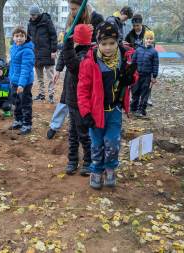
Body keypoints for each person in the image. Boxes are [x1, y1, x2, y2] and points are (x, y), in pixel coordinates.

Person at [77, 22, 136, 189]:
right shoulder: (90, 62)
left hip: (115, 110)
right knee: (96, 144)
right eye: (104, 44)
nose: (108, 47)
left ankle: (110, 168)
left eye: (112, 43)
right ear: (98, 43)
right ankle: (96, 170)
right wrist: (86, 113)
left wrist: (130, 78)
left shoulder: (124, 58)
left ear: (117, 42)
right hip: (96, 112)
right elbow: (82, 90)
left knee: (112, 142)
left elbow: (133, 74)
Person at [46, 0, 104, 140]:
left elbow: (101, 44)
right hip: (73, 65)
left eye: (74, 9)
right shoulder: (71, 20)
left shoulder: (96, 19)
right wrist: (59, 69)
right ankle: (55, 125)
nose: (72, 12)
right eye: (70, 8)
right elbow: (67, 45)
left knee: (86, 99)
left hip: (89, 66)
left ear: (82, 7)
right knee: (66, 97)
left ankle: (90, 130)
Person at [62, 24, 93, 176]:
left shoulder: (85, 56)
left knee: (83, 133)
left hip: (81, 103)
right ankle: (73, 160)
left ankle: (88, 161)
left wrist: (67, 44)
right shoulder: (78, 52)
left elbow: (72, 64)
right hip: (72, 101)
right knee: (73, 133)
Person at [28, 5, 58, 103]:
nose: (32, 17)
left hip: (48, 53)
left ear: (38, 14)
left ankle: (51, 95)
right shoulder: (30, 24)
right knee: (39, 77)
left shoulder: (47, 21)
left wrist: (54, 50)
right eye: (31, 15)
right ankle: (41, 94)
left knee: (50, 76)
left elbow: (53, 36)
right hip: (36, 54)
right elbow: (28, 38)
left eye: (34, 15)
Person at [9, 26, 35, 135]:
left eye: (21, 36)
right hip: (15, 81)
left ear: (25, 37)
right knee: (16, 102)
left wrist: (21, 84)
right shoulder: (13, 48)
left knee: (25, 103)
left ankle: (27, 123)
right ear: (13, 37)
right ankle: (18, 120)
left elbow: (25, 69)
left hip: (25, 82)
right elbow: (13, 65)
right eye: (17, 36)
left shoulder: (27, 51)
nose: (19, 38)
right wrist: (10, 78)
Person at [131, 30, 159, 118]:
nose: (149, 40)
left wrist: (154, 76)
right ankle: (133, 108)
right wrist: (131, 73)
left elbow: (155, 65)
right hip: (137, 75)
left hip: (147, 76)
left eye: (151, 39)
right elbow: (133, 62)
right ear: (144, 39)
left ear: (153, 40)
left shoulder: (154, 52)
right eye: (147, 39)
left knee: (144, 93)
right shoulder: (138, 50)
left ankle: (142, 110)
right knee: (135, 92)